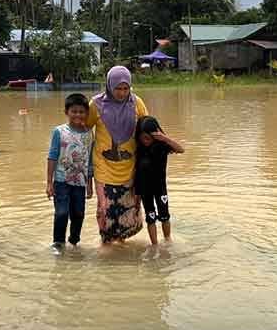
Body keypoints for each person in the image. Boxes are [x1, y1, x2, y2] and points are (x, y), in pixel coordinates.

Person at [87, 65, 149, 244]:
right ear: (109, 85)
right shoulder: (96, 105)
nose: (122, 93)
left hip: (130, 168)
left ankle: (121, 245)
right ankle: (105, 244)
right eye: (118, 89)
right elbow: (84, 130)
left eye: (125, 88)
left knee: (127, 212)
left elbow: (146, 129)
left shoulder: (136, 103)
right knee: (104, 209)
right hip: (103, 167)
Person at [46, 93, 94, 251]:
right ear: (66, 112)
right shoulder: (59, 131)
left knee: (78, 214)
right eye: (74, 111)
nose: (78, 115)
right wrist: (49, 182)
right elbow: (52, 156)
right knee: (61, 213)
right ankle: (58, 243)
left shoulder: (89, 134)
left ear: (87, 113)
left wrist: (90, 184)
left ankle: (74, 242)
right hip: (61, 181)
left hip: (80, 182)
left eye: (81, 112)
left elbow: (89, 161)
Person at [134, 116, 185, 245]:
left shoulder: (162, 146)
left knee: (165, 216)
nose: (146, 141)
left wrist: (165, 138)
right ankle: (154, 245)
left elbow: (181, 150)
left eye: (149, 138)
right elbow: (137, 173)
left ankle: (168, 240)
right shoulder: (138, 149)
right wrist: (137, 196)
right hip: (145, 190)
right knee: (150, 217)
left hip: (160, 188)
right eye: (143, 138)